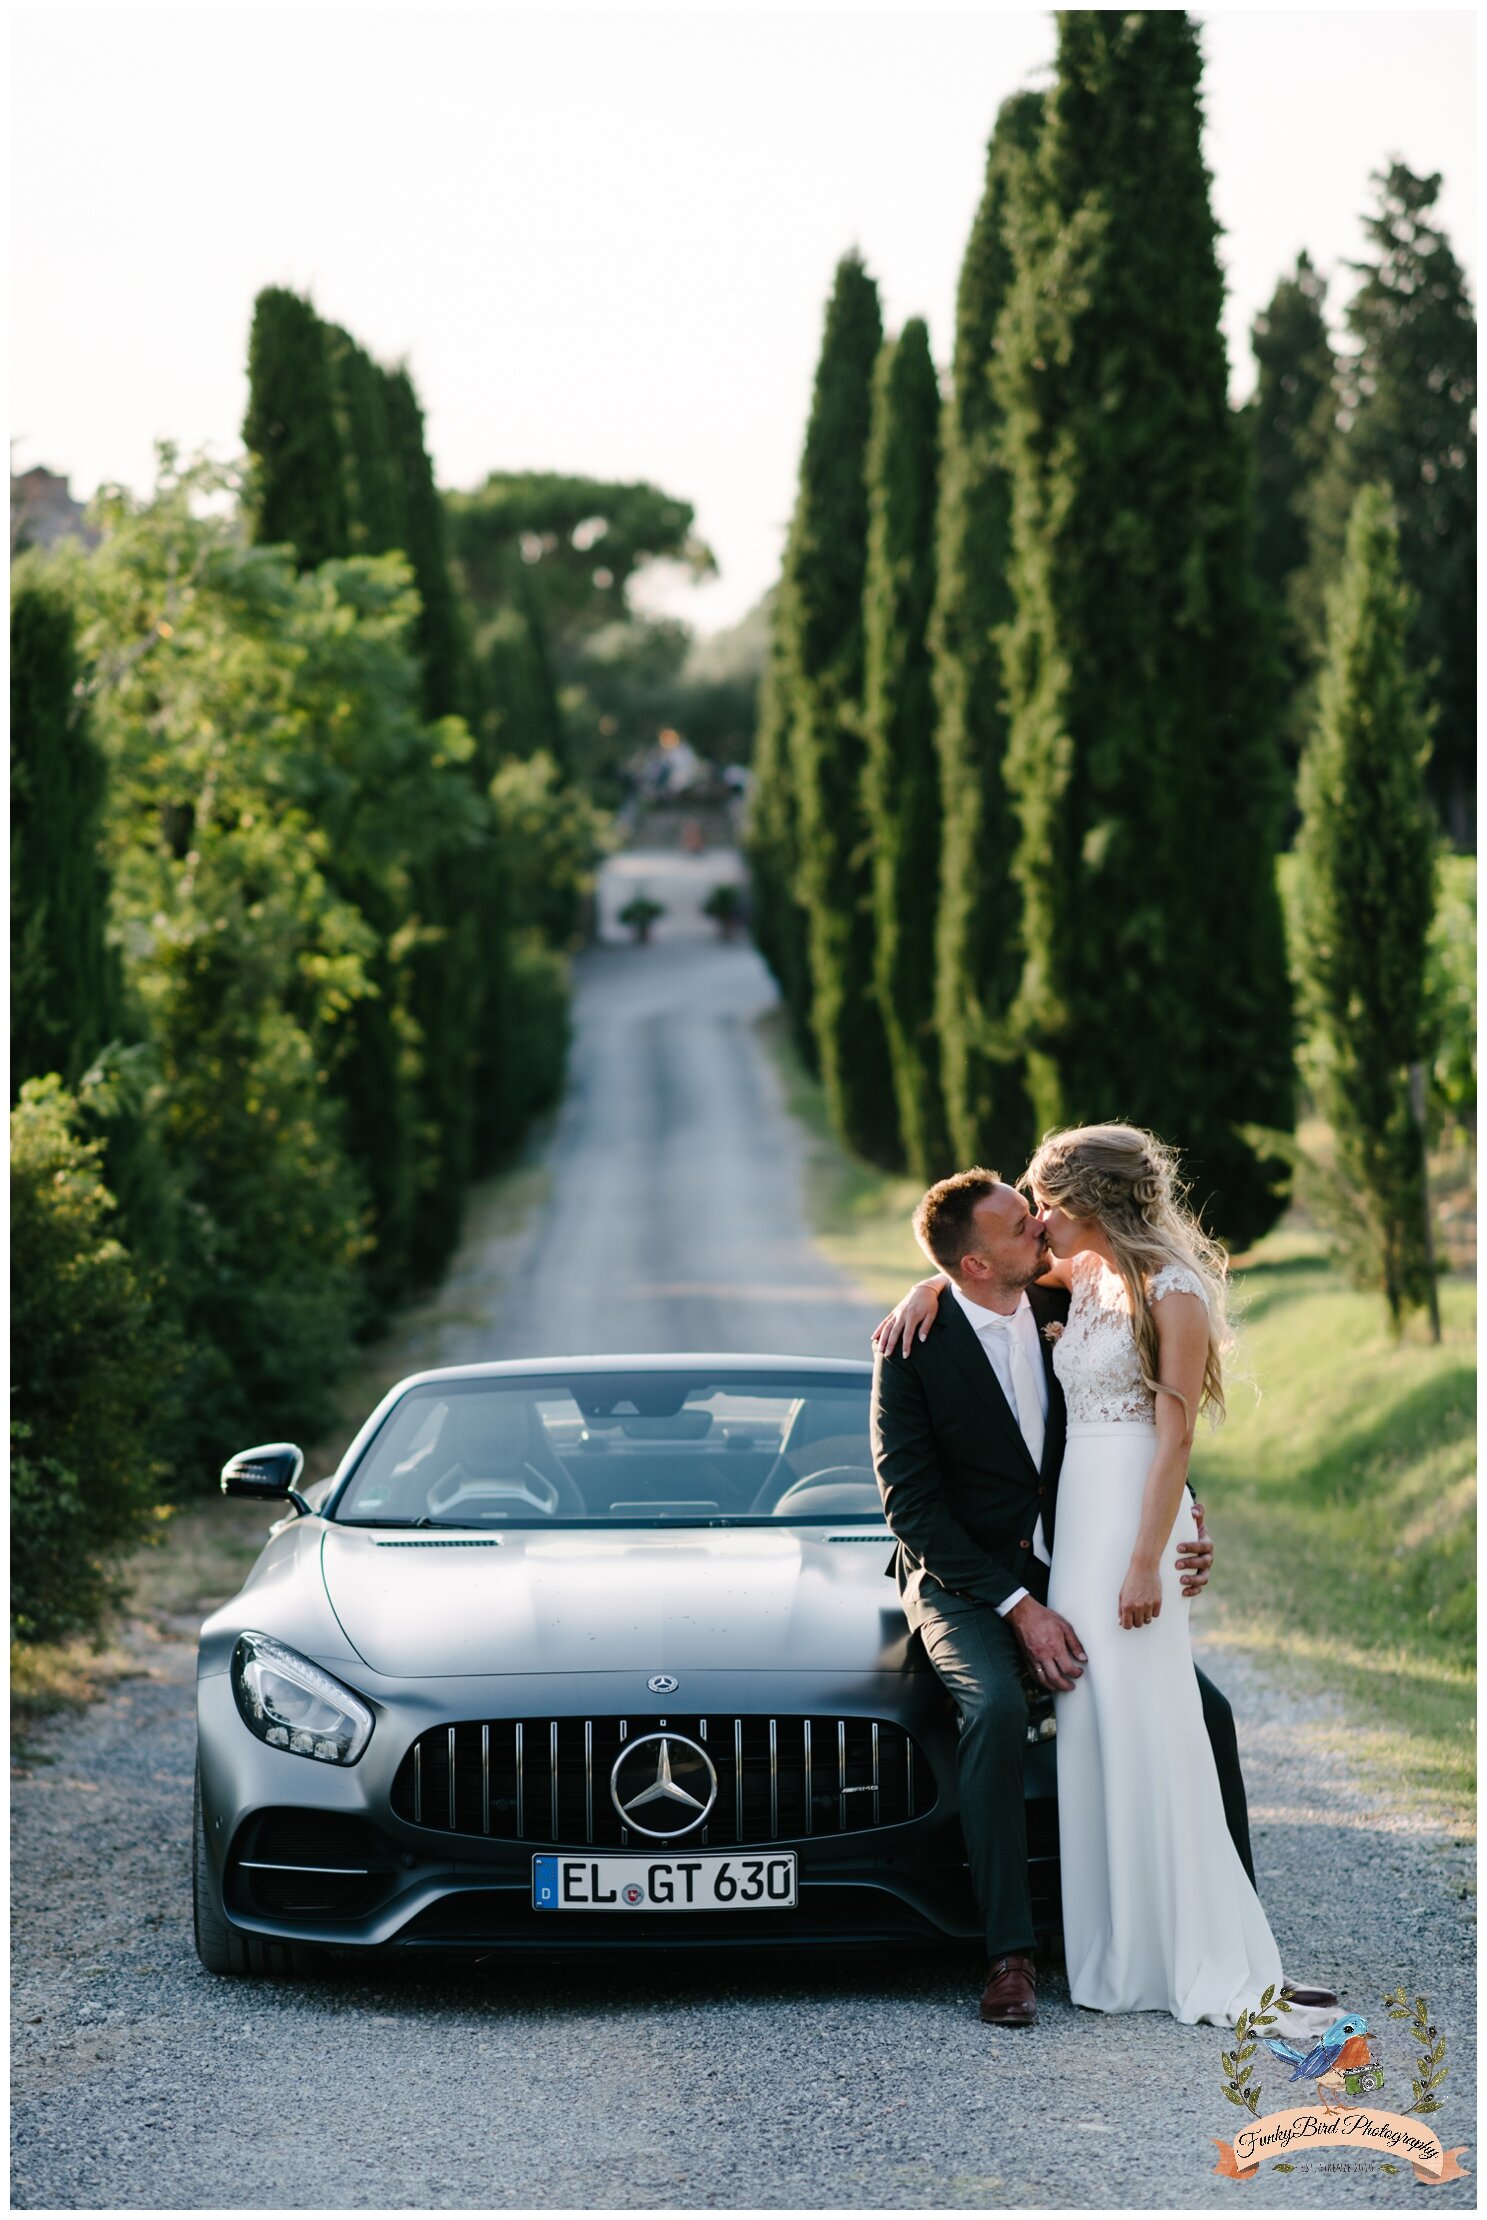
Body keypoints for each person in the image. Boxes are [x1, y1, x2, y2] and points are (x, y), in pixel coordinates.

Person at [871, 1133, 1332, 2028]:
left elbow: (1146, 1419)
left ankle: (1228, 1937)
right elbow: (914, 1513)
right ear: (976, 1261)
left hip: (1086, 1548)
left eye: (1039, 1206)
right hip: (968, 1580)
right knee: (1005, 1710)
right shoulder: (918, 1340)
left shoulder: (1072, 1282)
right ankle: (1010, 1955)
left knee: (1205, 1714)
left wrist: (1172, 1530)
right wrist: (924, 1284)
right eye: (1020, 1218)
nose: (1037, 1223)